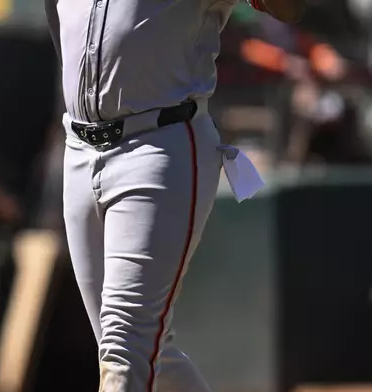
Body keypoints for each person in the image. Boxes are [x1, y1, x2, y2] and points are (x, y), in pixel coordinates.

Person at [44, 0, 305, 391]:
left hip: (158, 142)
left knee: (124, 349)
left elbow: (289, 9)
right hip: (80, 145)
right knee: (145, 352)